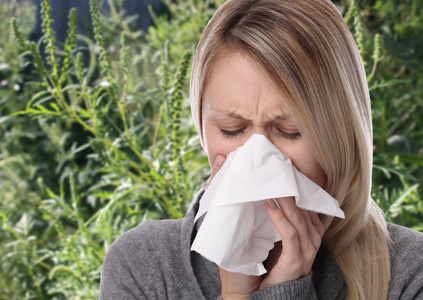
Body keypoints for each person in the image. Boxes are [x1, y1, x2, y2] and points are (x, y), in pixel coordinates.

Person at [99, 0, 423, 299]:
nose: (257, 159)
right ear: (202, 128)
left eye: (289, 132)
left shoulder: (409, 274)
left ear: (341, 133)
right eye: (232, 129)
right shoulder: (144, 268)